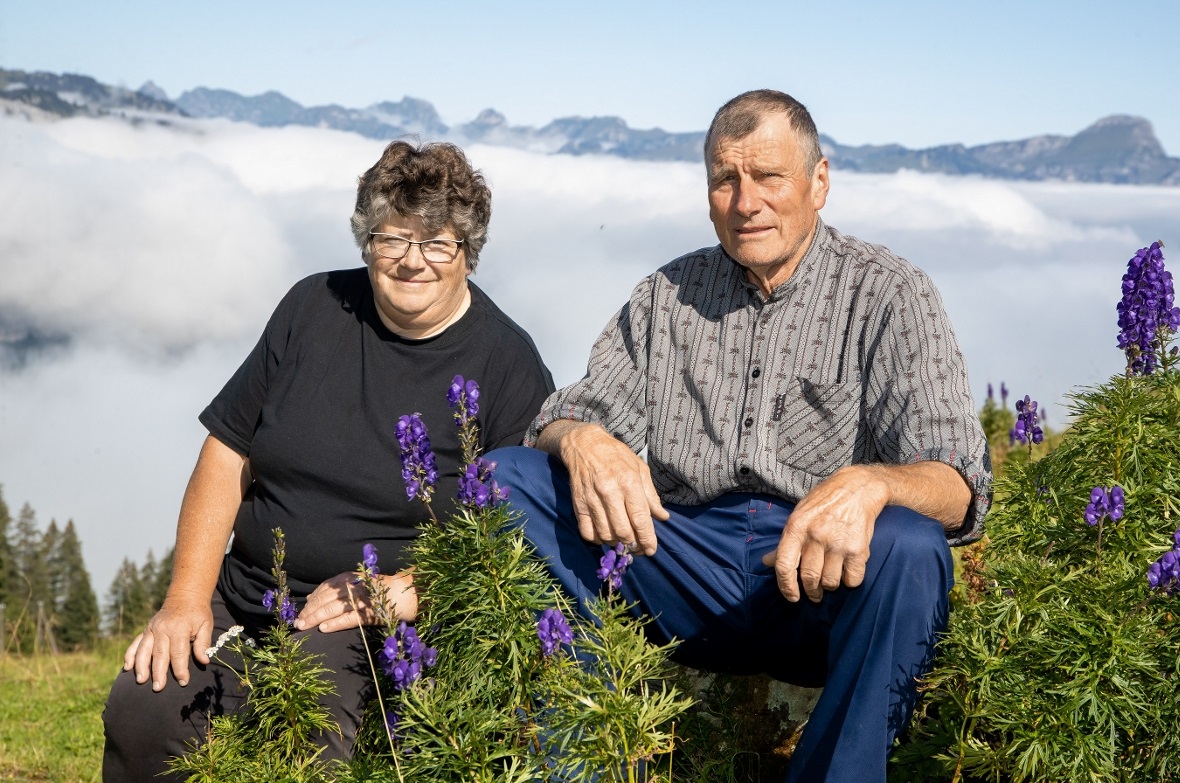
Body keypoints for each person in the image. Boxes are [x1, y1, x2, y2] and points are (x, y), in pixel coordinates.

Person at [489, 90, 991, 782]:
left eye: (769, 177)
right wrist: (580, 438)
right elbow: (567, 412)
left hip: (818, 580)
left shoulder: (889, 293)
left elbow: (961, 486)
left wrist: (872, 482)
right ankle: (588, 752)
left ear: (819, 183)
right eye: (725, 179)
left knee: (910, 544)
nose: (744, 200)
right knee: (509, 481)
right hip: (679, 558)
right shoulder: (666, 294)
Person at [102, 140, 555, 781]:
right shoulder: (312, 308)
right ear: (365, 241)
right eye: (391, 239)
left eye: (437, 243)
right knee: (143, 708)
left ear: (468, 255)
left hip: (369, 619)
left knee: (306, 732)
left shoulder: (506, 365)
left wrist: (411, 590)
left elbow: (522, 536)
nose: (411, 261)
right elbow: (228, 450)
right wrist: (184, 602)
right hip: (253, 596)